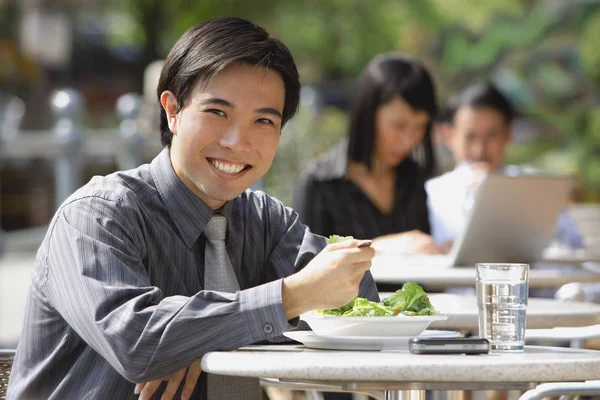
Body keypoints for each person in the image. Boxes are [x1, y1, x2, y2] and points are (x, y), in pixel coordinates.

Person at [7, 17, 378, 400]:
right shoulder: (96, 217)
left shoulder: (268, 221)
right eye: (217, 112)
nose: (237, 141)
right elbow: (138, 342)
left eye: (263, 120)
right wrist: (284, 300)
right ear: (172, 110)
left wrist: (202, 337)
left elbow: (358, 300)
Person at [294, 53, 447, 256]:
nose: (408, 140)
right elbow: (306, 270)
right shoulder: (320, 183)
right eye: (398, 126)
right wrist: (378, 248)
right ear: (367, 115)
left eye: (420, 127)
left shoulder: (414, 178)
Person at [426, 82, 583, 249]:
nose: (480, 150)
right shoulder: (431, 191)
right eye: (470, 137)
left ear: (508, 134)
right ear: (449, 135)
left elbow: (572, 245)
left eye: (491, 135)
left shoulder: (534, 184)